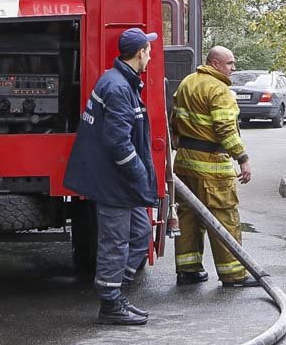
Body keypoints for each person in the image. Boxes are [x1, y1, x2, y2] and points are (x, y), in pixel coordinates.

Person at [63, 28, 159, 326]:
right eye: (149, 49)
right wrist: (140, 174)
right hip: (115, 181)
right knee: (115, 242)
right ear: (140, 53)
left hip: (118, 180)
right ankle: (110, 303)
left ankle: (118, 289)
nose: (151, 54)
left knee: (141, 232)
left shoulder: (119, 81)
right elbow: (118, 143)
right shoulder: (118, 87)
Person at [171, 46, 260, 287]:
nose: (233, 68)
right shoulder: (219, 90)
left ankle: (188, 270)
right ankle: (234, 274)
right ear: (214, 63)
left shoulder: (187, 82)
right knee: (224, 216)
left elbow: (174, 120)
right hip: (212, 167)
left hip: (184, 164)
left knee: (188, 216)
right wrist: (242, 158)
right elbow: (226, 130)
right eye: (230, 63)